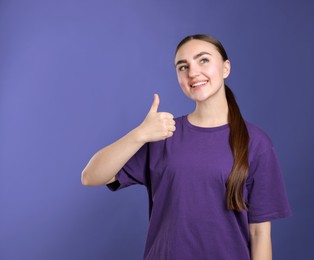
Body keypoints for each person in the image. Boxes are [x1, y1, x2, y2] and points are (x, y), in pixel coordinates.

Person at [81, 34, 291, 260]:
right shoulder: (163, 134)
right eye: (183, 66)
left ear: (225, 68)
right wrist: (139, 134)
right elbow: (91, 176)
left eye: (203, 60)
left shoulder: (256, 143)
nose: (192, 72)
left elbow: (260, 234)